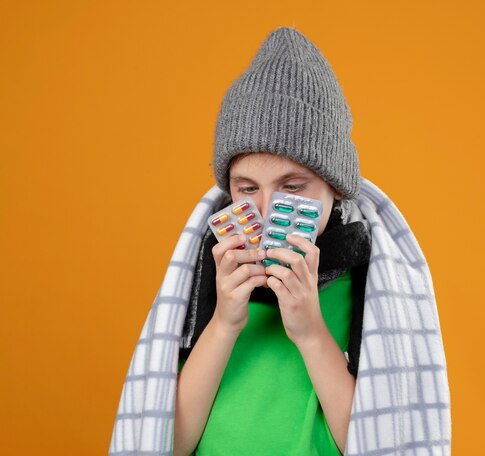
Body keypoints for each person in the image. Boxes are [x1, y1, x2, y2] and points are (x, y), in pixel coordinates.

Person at [109, 26, 451, 456]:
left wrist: (311, 331)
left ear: (336, 185)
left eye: (292, 186)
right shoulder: (210, 274)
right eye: (247, 189)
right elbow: (165, 443)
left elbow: (380, 443)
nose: (268, 208)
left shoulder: (372, 285)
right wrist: (224, 324)